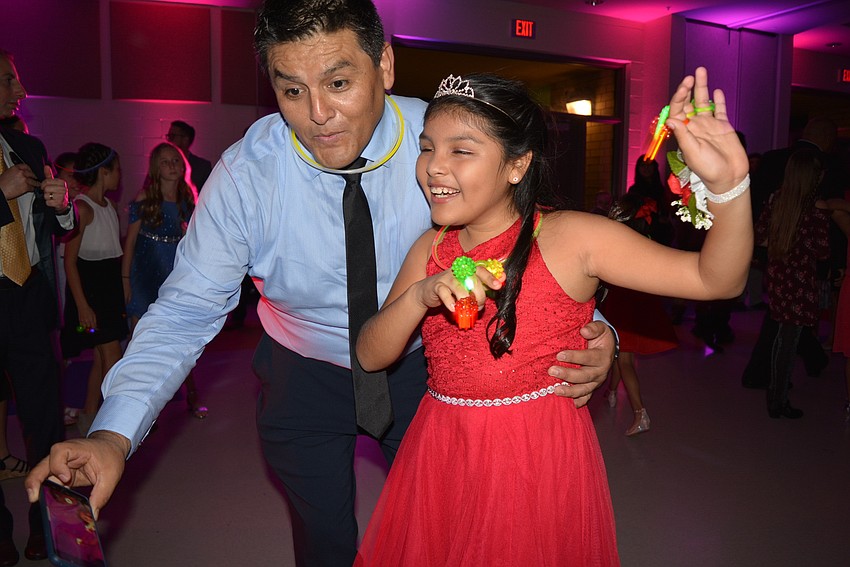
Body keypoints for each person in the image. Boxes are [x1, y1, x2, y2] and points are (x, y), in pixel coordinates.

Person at [25, 2, 617, 566]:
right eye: (291, 90)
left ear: (383, 64)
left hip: (428, 365)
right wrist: (111, 432)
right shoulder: (246, 177)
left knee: (456, 531)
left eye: (338, 83)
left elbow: (537, 246)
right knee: (325, 542)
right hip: (300, 372)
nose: (317, 115)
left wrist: (599, 332)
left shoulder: (447, 149)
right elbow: (183, 311)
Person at [353, 69, 751, 565]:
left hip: (535, 456)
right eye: (427, 147)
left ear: (517, 165)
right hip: (442, 449)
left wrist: (730, 188)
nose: (433, 167)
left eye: (461, 150)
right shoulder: (430, 249)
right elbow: (370, 355)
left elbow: (716, 280)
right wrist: (418, 296)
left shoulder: (571, 238)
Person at [0, 47, 72, 564]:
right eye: (9, 80)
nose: (20, 92)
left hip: (27, 298)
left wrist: (63, 207)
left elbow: (50, 231)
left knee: (45, 421)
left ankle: (46, 526)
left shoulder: (27, 145)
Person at [122, 142, 207, 418]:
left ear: (183, 166)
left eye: (176, 160)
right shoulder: (146, 196)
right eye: (165, 162)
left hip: (175, 275)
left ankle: (191, 395)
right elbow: (131, 242)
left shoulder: (188, 199)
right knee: (141, 339)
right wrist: (125, 279)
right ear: (155, 169)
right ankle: (136, 404)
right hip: (144, 274)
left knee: (180, 337)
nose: (172, 165)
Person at [755, 149, 830, 418]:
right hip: (799, 280)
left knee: (782, 336)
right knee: (789, 339)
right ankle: (778, 398)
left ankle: (778, 388)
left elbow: (761, 238)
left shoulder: (777, 199)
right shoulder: (816, 207)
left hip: (778, 275)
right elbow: (821, 251)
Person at [59, 143, 129, 435]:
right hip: (91, 294)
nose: (120, 175)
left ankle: (90, 417)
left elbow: (114, 256)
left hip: (109, 289)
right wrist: (83, 305)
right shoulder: (82, 209)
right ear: (103, 172)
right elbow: (70, 263)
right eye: (116, 170)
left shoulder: (109, 207)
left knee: (103, 358)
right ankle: (117, 425)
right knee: (112, 356)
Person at [601, 192, 678, 436]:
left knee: (623, 358)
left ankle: (639, 412)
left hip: (622, 303)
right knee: (619, 354)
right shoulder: (645, 238)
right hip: (638, 302)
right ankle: (611, 392)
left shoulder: (619, 241)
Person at [166, 120, 213, 192]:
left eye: (173, 136)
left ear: (185, 139)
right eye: (169, 136)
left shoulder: (202, 167)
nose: (169, 140)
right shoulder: (162, 164)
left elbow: (208, 195)